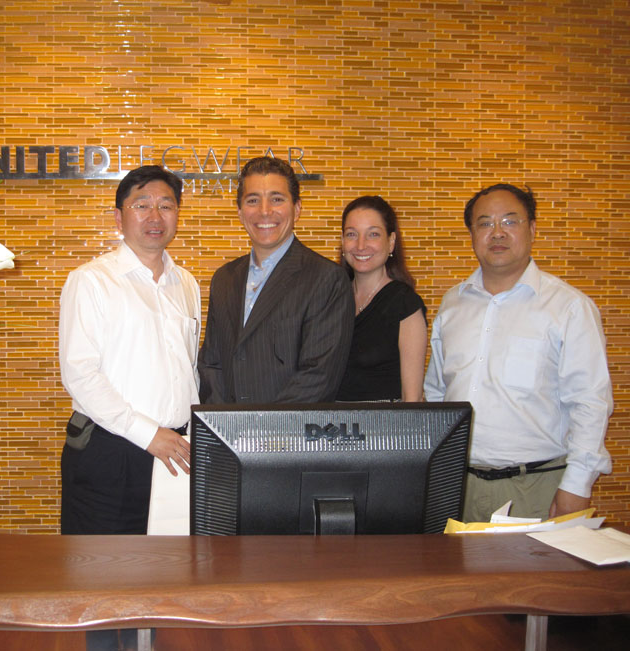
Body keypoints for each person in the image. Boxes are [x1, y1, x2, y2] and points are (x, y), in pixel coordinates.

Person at [59, 165, 199, 650]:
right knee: (101, 586)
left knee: (160, 578)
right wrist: (148, 433)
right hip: (109, 452)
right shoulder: (92, 281)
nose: (155, 216)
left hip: (174, 453)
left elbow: (187, 369)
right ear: (119, 217)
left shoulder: (186, 283)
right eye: (142, 205)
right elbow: (81, 375)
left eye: (166, 205)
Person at [424, 183, 612, 521]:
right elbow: (437, 394)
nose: (497, 232)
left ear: (532, 229)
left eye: (510, 221)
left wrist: (577, 486)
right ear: (472, 234)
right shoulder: (452, 304)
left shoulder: (568, 307)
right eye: (485, 223)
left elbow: (590, 403)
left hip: (537, 487)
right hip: (459, 487)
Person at [198, 156, 353, 404]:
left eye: (277, 199)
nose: (264, 211)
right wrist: (224, 422)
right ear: (240, 212)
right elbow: (212, 364)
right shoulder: (224, 279)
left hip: (289, 427)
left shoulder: (326, 279)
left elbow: (318, 376)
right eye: (253, 200)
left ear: (297, 209)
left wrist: (264, 426)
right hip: (229, 426)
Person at [336, 196, 427, 402]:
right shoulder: (331, 299)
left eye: (373, 234)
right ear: (342, 241)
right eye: (352, 234)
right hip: (332, 420)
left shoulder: (405, 304)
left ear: (391, 242)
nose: (361, 245)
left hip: (383, 420)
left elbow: (411, 398)